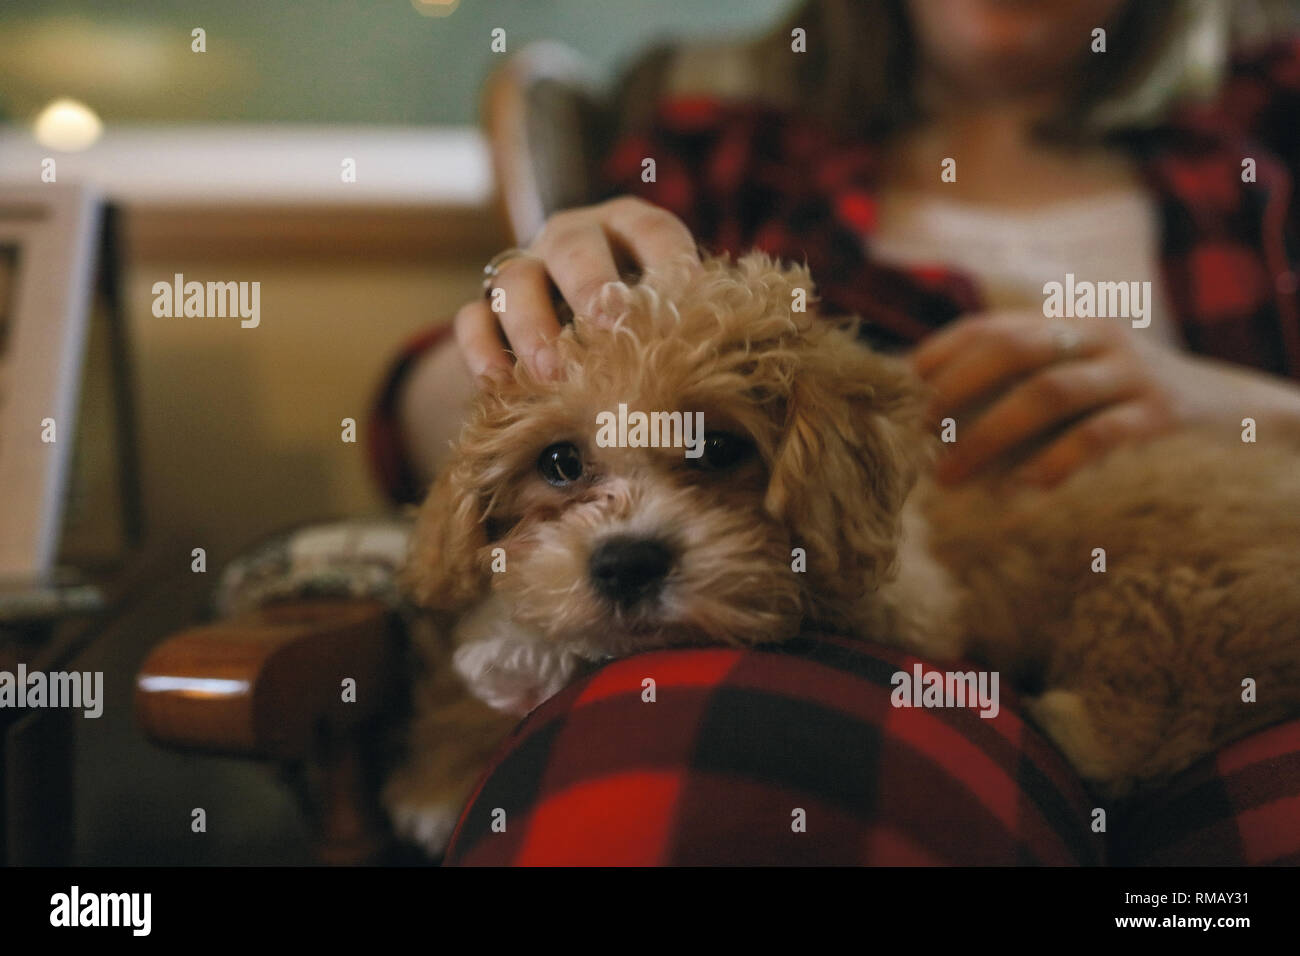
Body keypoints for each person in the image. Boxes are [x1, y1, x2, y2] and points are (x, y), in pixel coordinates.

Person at [370, 0, 1300, 865]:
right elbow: (426, 438)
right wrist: (512, 330)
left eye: (712, 450)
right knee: (682, 763)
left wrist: (1262, 412)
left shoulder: (1270, 118)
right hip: (861, 665)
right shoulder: (723, 152)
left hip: (1231, 624)